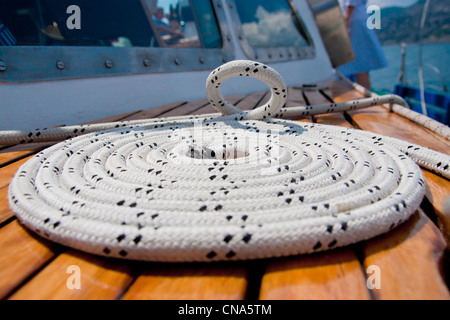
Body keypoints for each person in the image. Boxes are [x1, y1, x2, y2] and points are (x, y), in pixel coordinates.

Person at [338, 0, 388, 89]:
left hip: (354, 23)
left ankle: (365, 99)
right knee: (360, 67)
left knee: (360, 67)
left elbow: (351, 3)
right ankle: (364, 98)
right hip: (355, 21)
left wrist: (346, 22)